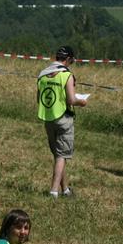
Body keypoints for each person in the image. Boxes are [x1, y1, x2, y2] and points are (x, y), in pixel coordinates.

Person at [36, 46, 87, 198]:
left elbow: (39, 99)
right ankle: (53, 191)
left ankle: (65, 190)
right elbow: (71, 99)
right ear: (69, 59)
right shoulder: (67, 75)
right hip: (64, 118)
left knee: (59, 155)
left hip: (48, 118)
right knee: (62, 156)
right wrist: (82, 102)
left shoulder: (42, 75)